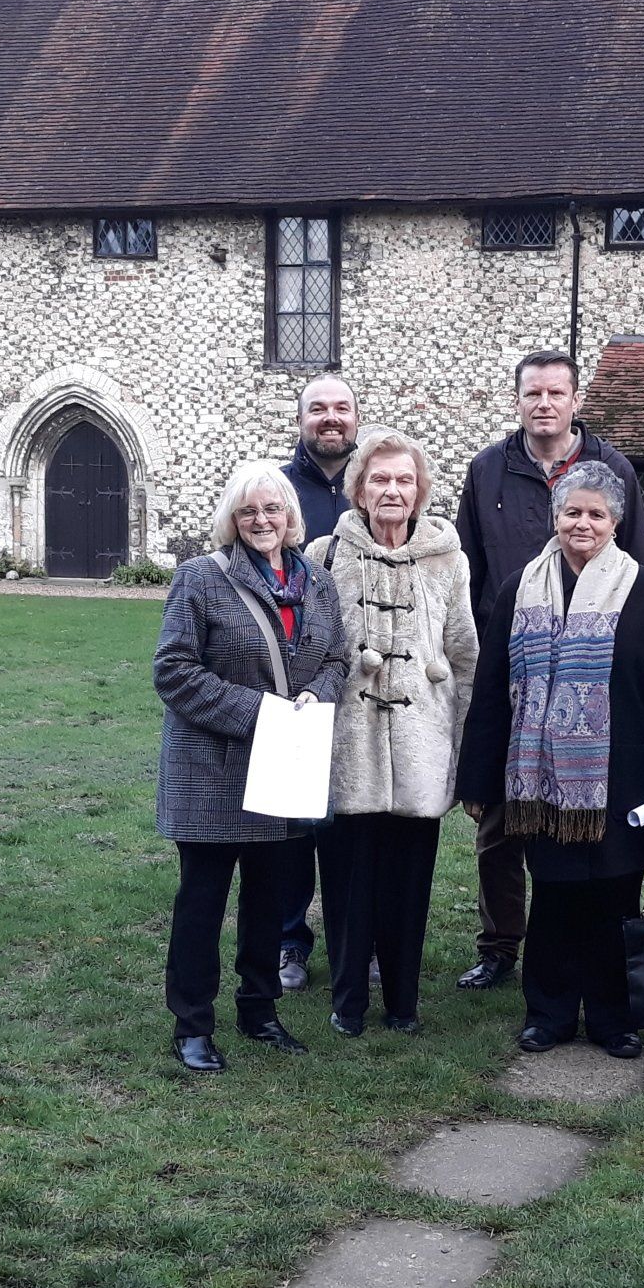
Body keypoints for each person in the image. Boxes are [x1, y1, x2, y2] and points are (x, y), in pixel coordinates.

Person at [457, 461, 644, 1059]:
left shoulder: (643, 589)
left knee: (614, 899)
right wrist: (480, 778)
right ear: (555, 517)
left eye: (596, 513)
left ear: (615, 521)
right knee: (555, 899)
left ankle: (613, 1017)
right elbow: (492, 688)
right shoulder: (521, 587)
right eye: (572, 512)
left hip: (621, 777)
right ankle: (549, 1013)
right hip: (540, 779)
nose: (582, 523)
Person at [453, 349, 644, 991]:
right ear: (517, 401)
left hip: (592, 684)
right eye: (532, 394)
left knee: (584, 828)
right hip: (514, 672)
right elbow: (469, 573)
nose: (544, 404)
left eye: (556, 394)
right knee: (501, 827)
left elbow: (641, 567)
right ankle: (500, 942)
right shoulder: (488, 471)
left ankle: (593, 951)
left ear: (576, 402)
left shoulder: (611, 467)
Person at [153, 460, 350, 1073]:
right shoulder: (199, 580)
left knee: (269, 901)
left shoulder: (317, 581)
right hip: (212, 769)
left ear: (291, 515)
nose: (262, 520)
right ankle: (192, 1024)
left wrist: (317, 694)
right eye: (248, 511)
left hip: (283, 768)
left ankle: (260, 1010)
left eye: (272, 509)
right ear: (232, 520)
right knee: (203, 902)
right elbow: (174, 671)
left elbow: (338, 658)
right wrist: (261, 711)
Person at [306, 429, 479, 1036]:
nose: (392, 490)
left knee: (409, 882)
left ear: (420, 490)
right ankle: (347, 1001)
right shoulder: (325, 555)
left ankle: (403, 1001)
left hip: (421, 743)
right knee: (348, 881)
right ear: (358, 488)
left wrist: (460, 747)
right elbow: (305, 648)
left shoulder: (447, 561)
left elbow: (464, 657)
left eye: (404, 479)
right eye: (379, 479)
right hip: (346, 744)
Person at [275, 373, 360, 992]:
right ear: (300, 419)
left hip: (364, 688)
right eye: (318, 410)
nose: (330, 419)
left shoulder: (375, 485)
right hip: (297, 685)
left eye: (341, 409)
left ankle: (356, 943)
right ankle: (288, 942)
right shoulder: (280, 490)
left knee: (352, 831)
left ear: (356, 419)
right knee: (291, 830)